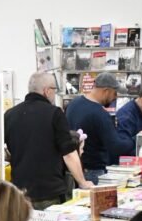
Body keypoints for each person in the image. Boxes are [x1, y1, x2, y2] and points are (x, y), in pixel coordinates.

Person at [5, 72, 93, 209]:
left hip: (18, 193)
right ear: (47, 91)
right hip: (48, 192)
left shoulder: (10, 114)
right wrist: (82, 182)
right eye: (54, 89)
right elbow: (68, 153)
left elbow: (2, 150)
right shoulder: (54, 113)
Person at [65, 72, 131, 183]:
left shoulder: (73, 104)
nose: (115, 97)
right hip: (93, 171)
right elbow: (116, 147)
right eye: (114, 93)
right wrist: (134, 139)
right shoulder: (100, 114)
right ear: (106, 91)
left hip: (73, 168)